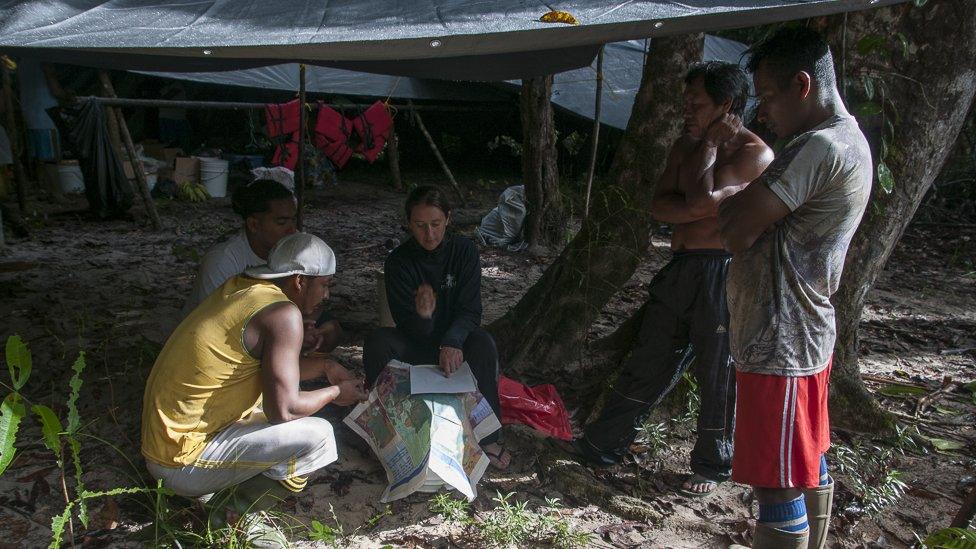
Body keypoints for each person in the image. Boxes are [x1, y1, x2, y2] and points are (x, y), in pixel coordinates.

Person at [572, 61, 773, 497]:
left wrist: (708, 155)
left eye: (696, 104)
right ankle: (603, 445)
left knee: (716, 368)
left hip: (722, 269)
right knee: (650, 356)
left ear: (727, 105)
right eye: (684, 102)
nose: (686, 111)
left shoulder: (754, 154)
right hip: (681, 266)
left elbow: (700, 199)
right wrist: (697, 201)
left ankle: (712, 465)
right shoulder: (684, 144)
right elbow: (661, 206)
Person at [718, 27, 872, 549]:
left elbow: (737, 229)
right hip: (798, 330)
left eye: (768, 95)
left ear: (803, 84)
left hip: (782, 335)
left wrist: (735, 200)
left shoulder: (818, 147)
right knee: (805, 459)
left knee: (777, 480)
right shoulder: (845, 140)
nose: (762, 112)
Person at [142, 233, 367, 545]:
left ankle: (222, 495)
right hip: (180, 461)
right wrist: (334, 393)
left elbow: (275, 373)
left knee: (269, 400)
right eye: (325, 284)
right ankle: (230, 516)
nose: (327, 295)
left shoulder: (245, 288)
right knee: (319, 437)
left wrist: (327, 367)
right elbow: (284, 410)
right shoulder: (284, 315)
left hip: (165, 443)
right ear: (300, 282)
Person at [362, 185, 510, 469]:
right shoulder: (399, 261)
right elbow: (405, 324)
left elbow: (470, 310)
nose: (429, 234)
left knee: (484, 343)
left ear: (448, 219)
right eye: (420, 226)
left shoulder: (464, 251)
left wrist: (452, 340)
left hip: (456, 342)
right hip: (416, 342)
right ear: (409, 224)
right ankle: (383, 435)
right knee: (378, 342)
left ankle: (489, 437)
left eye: (435, 224)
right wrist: (423, 316)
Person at [182, 178, 341, 353]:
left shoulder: (296, 250)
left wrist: (319, 331)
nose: (291, 230)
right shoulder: (223, 260)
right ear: (254, 224)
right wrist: (286, 333)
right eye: (281, 223)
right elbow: (214, 323)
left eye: (293, 221)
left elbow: (310, 303)